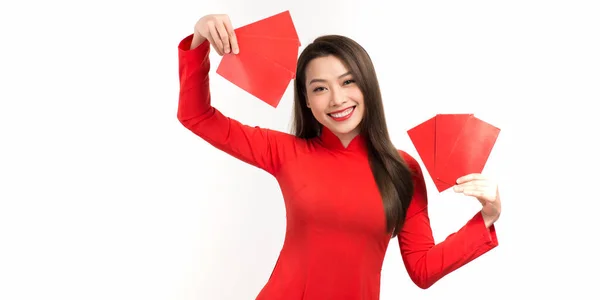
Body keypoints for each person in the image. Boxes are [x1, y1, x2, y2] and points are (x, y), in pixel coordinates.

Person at [176, 13, 502, 300]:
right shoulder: (286, 151)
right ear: (305, 100)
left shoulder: (404, 170)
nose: (337, 99)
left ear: (367, 86)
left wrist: (487, 215)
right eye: (320, 88)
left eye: (348, 82)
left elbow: (423, 269)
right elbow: (197, 116)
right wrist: (200, 38)